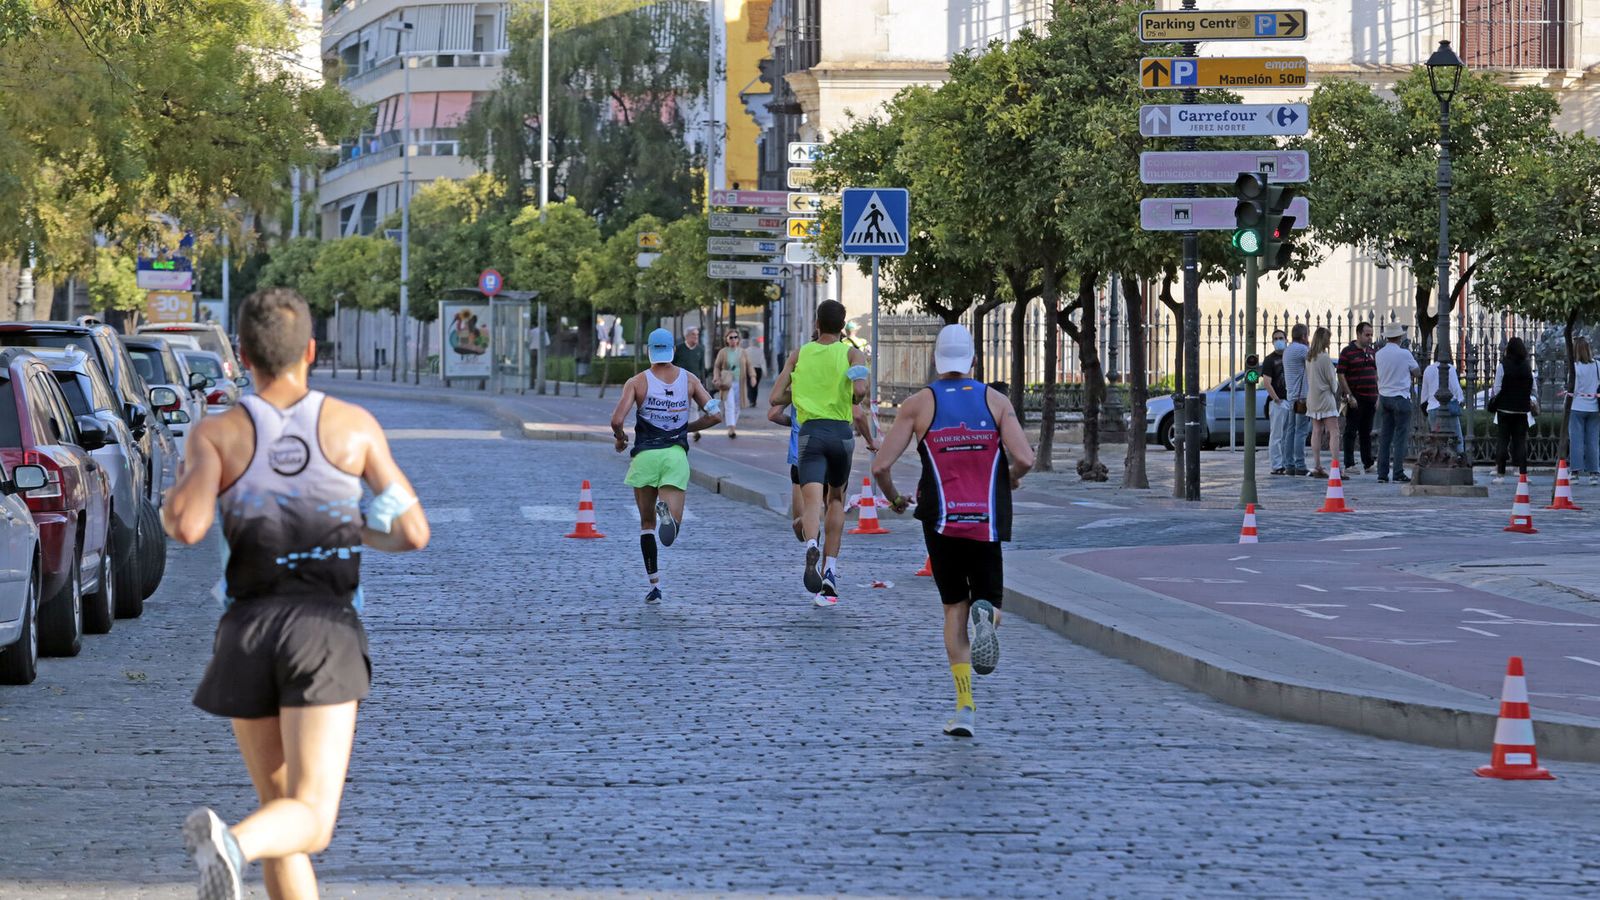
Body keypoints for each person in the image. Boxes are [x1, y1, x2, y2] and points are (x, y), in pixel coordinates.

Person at [163, 288, 430, 900]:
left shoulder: (218, 433)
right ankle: (233, 844)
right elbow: (412, 531)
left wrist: (186, 482)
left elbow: (188, 525)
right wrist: (353, 527)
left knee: (279, 804)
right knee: (309, 820)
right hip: (323, 631)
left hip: (246, 630)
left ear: (242, 356)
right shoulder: (353, 430)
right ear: (311, 350)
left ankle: (243, 843)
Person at [871, 324, 1035, 738]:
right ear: (975, 361)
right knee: (988, 600)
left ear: (936, 361)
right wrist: (1010, 478)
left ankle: (964, 708)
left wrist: (894, 499)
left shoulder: (918, 404)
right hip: (987, 517)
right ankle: (988, 619)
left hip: (939, 517)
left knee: (952, 609)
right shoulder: (995, 401)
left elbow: (880, 467)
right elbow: (1026, 459)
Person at [772, 300, 874, 605]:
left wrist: (802, 390)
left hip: (810, 435)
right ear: (843, 326)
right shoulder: (852, 353)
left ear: (817, 323)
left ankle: (811, 544)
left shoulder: (799, 353)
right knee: (836, 500)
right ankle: (830, 570)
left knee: (812, 500)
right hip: (841, 435)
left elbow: (775, 397)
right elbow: (860, 391)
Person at [611, 329, 723, 603]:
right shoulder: (690, 380)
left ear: (649, 351)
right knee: (671, 531)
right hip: (674, 456)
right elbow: (715, 415)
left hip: (645, 458)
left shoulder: (637, 382)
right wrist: (686, 427)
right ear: (672, 349)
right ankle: (668, 514)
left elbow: (616, 420)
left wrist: (621, 438)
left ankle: (654, 584)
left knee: (646, 524)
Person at [1375, 322, 1421, 484]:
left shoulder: (1379, 354)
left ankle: (1382, 473)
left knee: (1385, 437)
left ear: (1387, 337)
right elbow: (1417, 371)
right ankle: (1398, 472)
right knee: (1400, 437)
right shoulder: (1405, 354)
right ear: (1400, 337)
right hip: (1400, 397)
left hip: (1385, 396)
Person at [1491, 336, 1538, 485]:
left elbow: (1497, 388)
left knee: (1503, 440)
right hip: (1522, 409)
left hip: (1504, 408)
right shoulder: (1527, 367)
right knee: (1520, 441)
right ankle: (1522, 472)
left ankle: (1500, 474)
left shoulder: (1503, 366)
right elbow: (1533, 388)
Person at [1337, 321, 1378, 474]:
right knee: (1350, 431)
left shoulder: (1372, 352)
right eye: (1367, 335)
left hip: (1370, 397)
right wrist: (1349, 395)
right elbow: (1341, 374)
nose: (1369, 338)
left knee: (1366, 432)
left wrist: (1378, 396)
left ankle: (1368, 463)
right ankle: (1349, 464)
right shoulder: (1347, 352)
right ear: (1358, 334)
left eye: (1371, 335)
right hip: (1355, 397)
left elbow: (1376, 374)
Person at [1305, 326, 1344, 479]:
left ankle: (1317, 464)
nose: (1330, 341)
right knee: (1334, 432)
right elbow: (1331, 380)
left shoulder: (1309, 357)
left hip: (1312, 398)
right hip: (1325, 398)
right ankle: (1336, 466)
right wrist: (1336, 391)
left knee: (1316, 431)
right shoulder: (1324, 357)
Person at [1567, 337, 1600, 486]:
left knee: (1576, 441)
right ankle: (1594, 473)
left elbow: (1572, 389)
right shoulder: (1598, 366)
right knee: (1593, 441)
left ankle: (1575, 472)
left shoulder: (1575, 368)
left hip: (1577, 406)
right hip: (1594, 408)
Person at [712, 329, 756, 439]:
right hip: (727, 383)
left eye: (735, 337)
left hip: (740, 382)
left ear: (738, 339)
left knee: (737, 405)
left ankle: (733, 424)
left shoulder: (743, 352)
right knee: (729, 405)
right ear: (726, 339)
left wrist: (753, 377)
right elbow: (717, 366)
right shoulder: (723, 352)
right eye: (731, 337)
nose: (733, 339)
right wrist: (716, 377)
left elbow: (749, 365)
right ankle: (731, 428)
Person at [1282, 323, 1311, 476]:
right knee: (1301, 432)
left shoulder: (1287, 350)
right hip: (1302, 398)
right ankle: (1300, 464)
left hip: (1291, 396)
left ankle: (1289, 464)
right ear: (1304, 336)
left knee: (1290, 431)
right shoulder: (1302, 350)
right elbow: (1315, 359)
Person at [1420, 356, 1466, 453]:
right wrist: (1461, 400)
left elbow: (1424, 395)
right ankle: (1460, 459)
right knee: (1457, 439)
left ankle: (1439, 461)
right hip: (1448, 407)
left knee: (1437, 441)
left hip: (1432, 408)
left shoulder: (1428, 370)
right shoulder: (1450, 368)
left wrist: (1425, 408)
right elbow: (1456, 388)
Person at [674, 327, 707, 442]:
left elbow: (701, 367)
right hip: (679, 383)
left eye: (697, 334)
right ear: (686, 336)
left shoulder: (700, 349)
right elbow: (671, 365)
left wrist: (703, 382)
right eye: (693, 334)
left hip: (695, 383)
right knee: (679, 407)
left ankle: (695, 431)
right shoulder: (679, 349)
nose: (696, 337)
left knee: (693, 407)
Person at [1262, 330, 1288, 475]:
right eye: (1275, 338)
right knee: (1277, 435)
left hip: (1291, 399)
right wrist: (1276, 399)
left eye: (1281, 338)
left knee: (1287, 435)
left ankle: (1286, 462)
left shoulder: (1290, 356)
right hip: (1279, 401)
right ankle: (1277, 465)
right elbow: (1267, 382)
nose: (1278, 341)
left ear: (1286, 339)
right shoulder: (1269, 359)